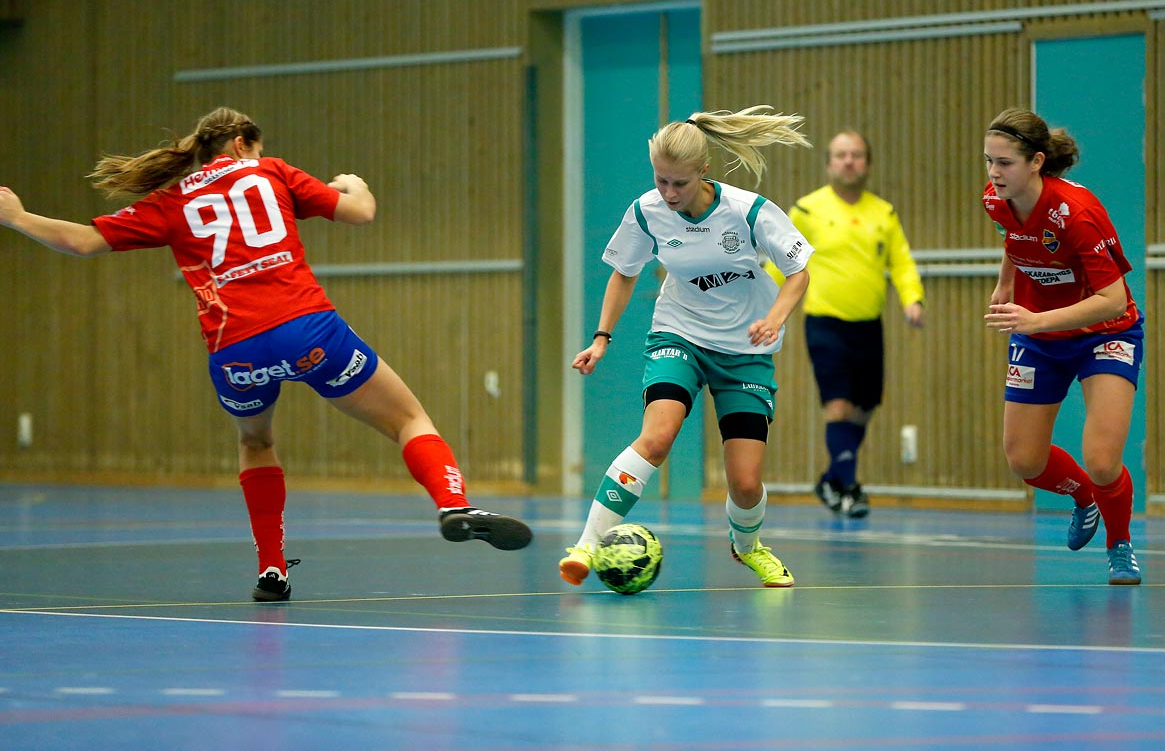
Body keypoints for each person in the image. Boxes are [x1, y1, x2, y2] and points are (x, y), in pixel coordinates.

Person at [0, 107, 532, 601]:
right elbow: (360, 212)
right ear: (239, 143)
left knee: (256, 442)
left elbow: (81, 241)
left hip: (236, 353)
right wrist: (352, 184)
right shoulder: (270, 172)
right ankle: (453, 506)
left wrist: (19, 217)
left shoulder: (172, 202)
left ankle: (272, 570)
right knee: (408, 419)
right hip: (309, 333)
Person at [564, 106, 813, 588]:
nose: (669, 193)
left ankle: (748, 547)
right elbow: (624, 273)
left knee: (744, 482)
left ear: (704, 171)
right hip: (679, 333)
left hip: (744, 348)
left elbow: (799, 271)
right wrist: (600, 339)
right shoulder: (646, 211)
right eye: (661, 181)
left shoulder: (749, 211)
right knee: (657, 437)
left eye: (679, 183)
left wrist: (775, 317)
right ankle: (588, 544)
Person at [980, 108, 1143, 585]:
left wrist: (1036, 318)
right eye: (988, 161)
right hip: (1039, 337)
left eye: (1005, 163)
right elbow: (1016, 237)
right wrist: (1005, 284)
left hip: (1106, 334)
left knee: (1102, 458)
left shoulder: (1079, 214)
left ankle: (1120, 545)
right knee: (1024, 460)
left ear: (1036, 161)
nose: (994, 173)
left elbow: (1112, 300)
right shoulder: (995, 199)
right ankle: (1084, 498)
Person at [789, 130, 925, 519]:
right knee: (838, 404)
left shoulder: (883, 212)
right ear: (829, 163)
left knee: (864, 408)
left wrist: (912, 299)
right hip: (825, 321)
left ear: (867, 163)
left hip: (869, 325)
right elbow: (781, 261)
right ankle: (849, 488)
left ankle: (832, 478)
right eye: (841, 155)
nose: (849, 161)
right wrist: (765, 308)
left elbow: (900, 261)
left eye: (857, 155)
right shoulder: (807, 210)